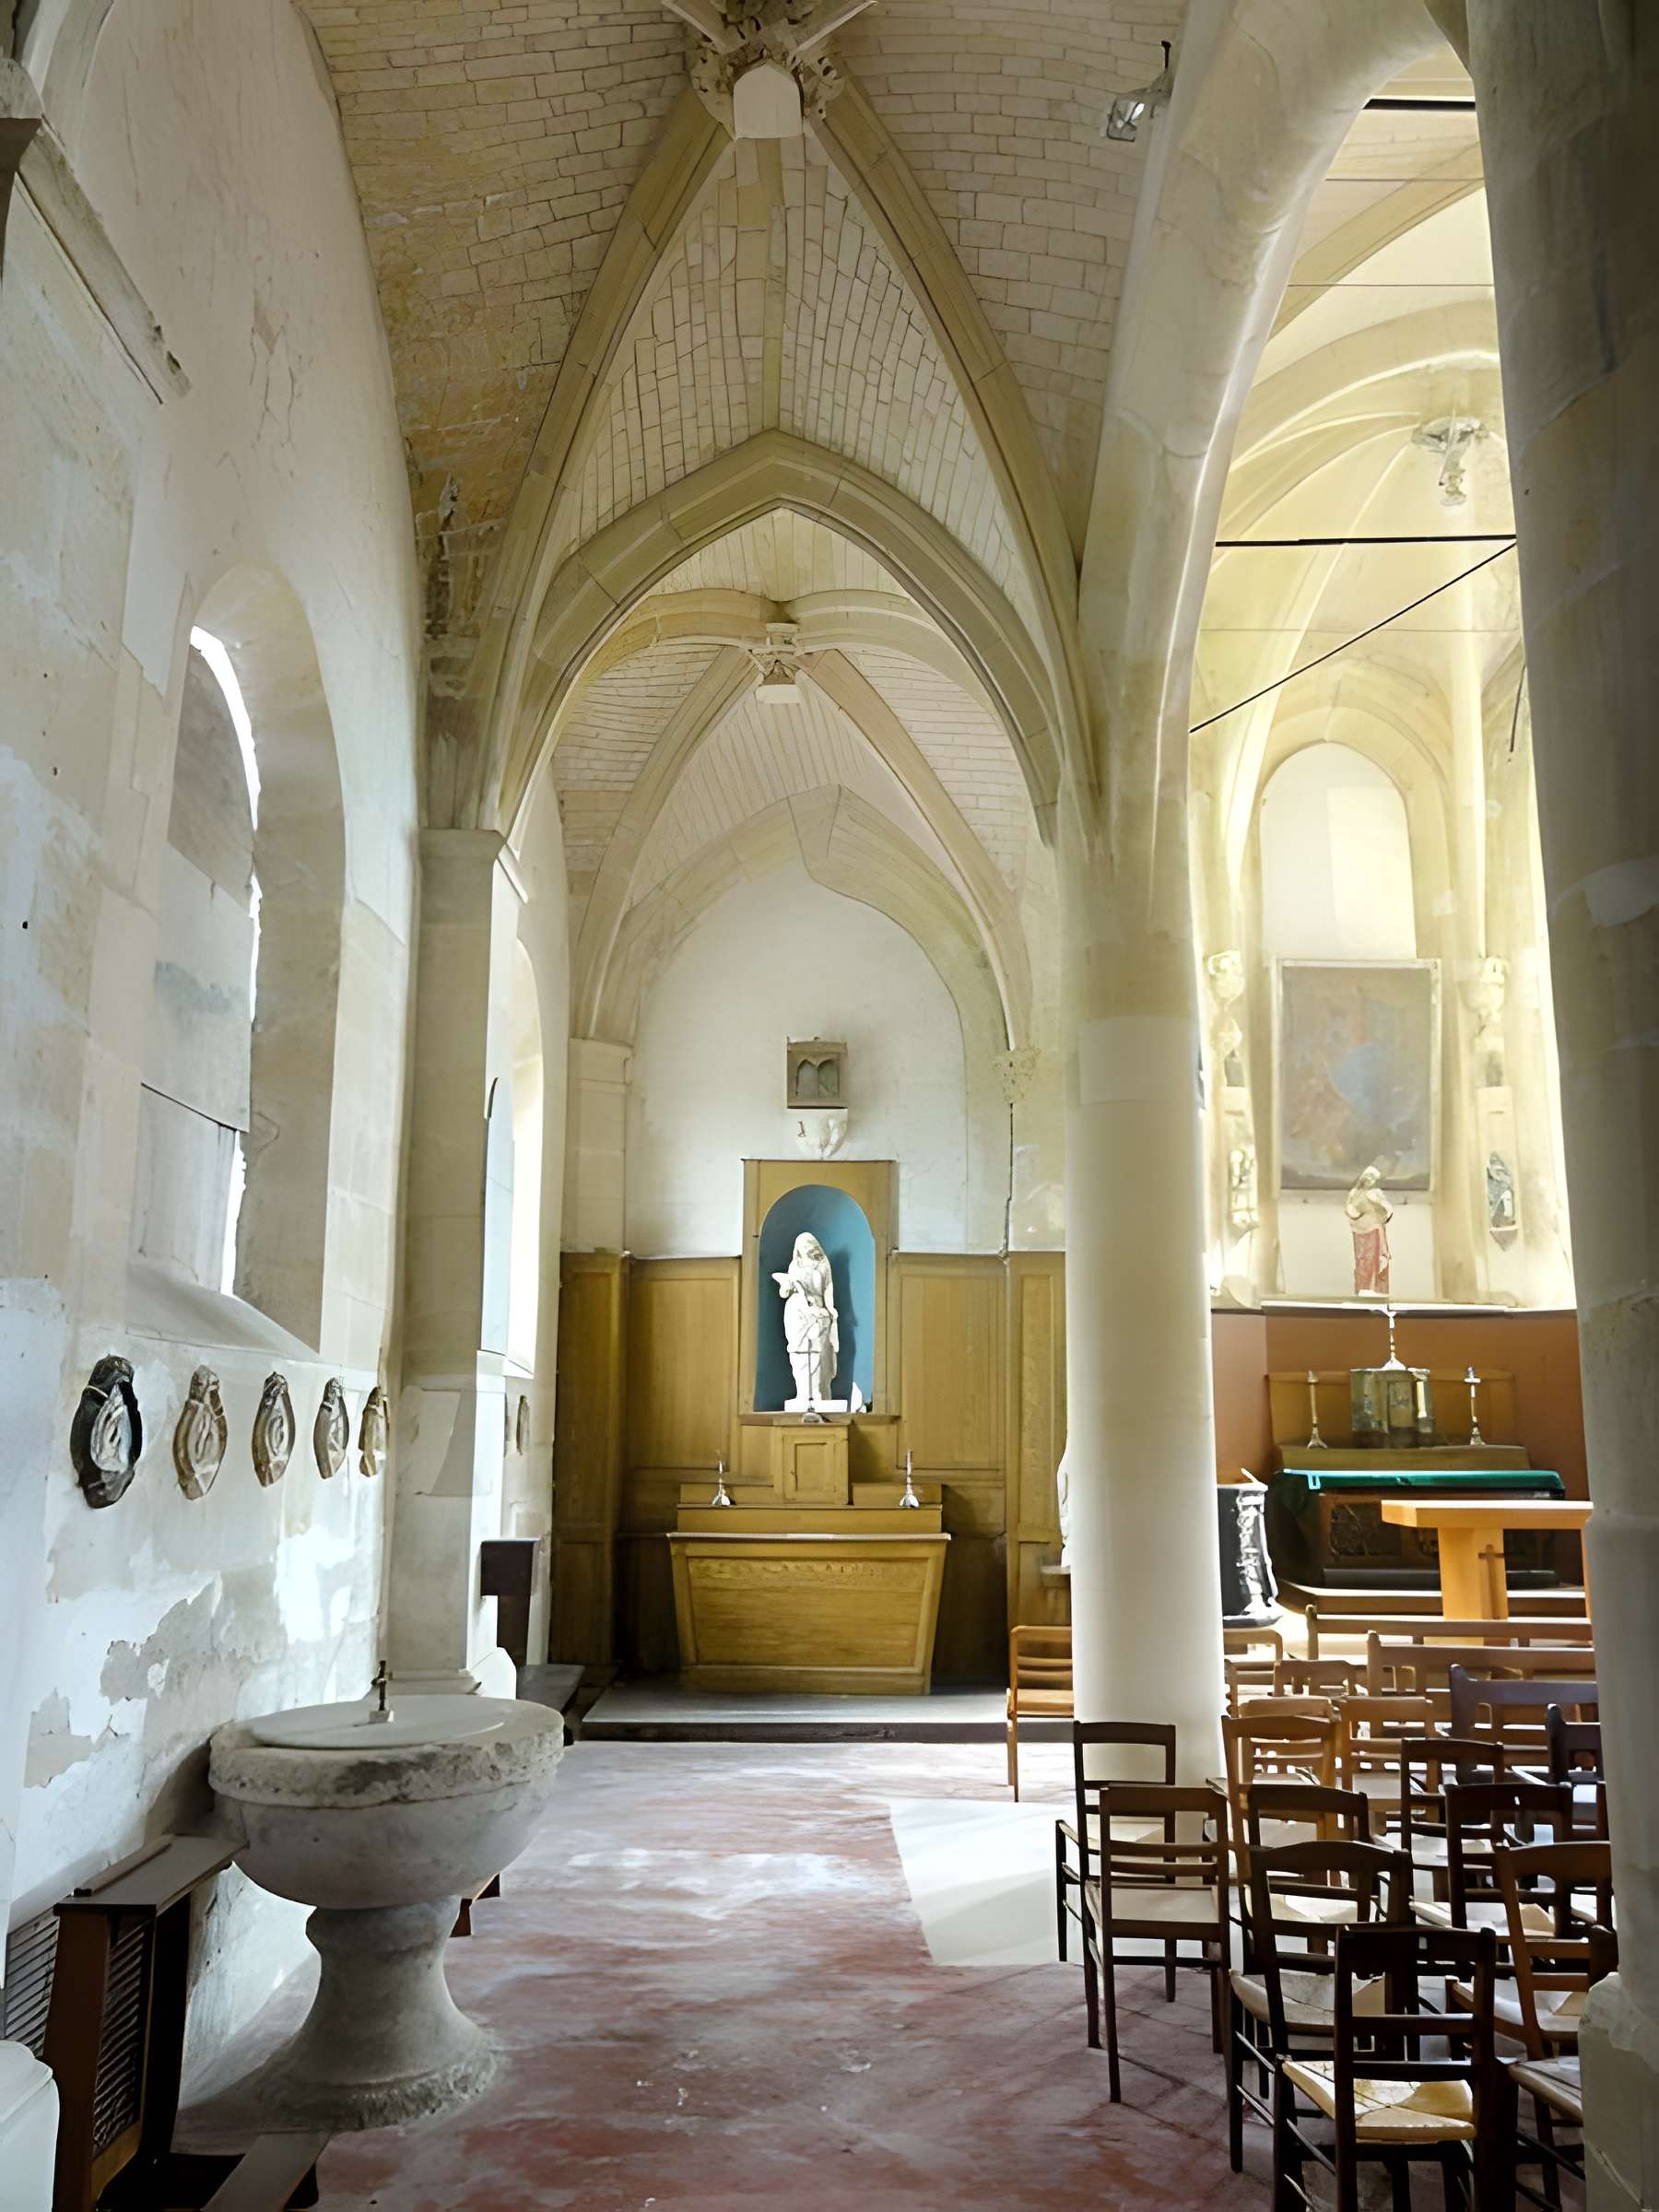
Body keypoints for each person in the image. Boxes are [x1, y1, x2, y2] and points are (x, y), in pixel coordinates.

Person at [773, 1231, 839, 1408]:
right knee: (798, 1353)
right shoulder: (795, 1265)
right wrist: (788, 1286)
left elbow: (828, 1289)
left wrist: (830, 1310)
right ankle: (803, 1393)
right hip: (797, 1312)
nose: (807, 1249)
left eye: (810, 1245)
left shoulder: (822, 1265)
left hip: (817, 1313)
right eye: (803, 1247)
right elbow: (784, 1292)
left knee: (816, 1352)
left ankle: (816, 1393)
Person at [1345, 1162, 1393, 1296]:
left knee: (1376, 1261)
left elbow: (1387, 1210)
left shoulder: (1376, 1193)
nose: (1371, 1182)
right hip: (1361, 1233)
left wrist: (1378, 1206)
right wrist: (1358, 1212)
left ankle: (1376, 1288)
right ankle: (1363, 1288)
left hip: (1375, 1231)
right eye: (1369, 1178)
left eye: (1373, 1179)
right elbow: (1350, 1210)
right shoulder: (1354, 1193)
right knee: (1363, 1261)